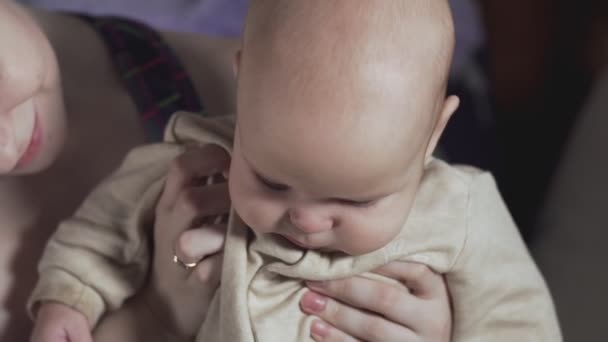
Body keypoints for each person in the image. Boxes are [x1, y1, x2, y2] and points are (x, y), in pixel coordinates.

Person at [28, 0, 561, 341]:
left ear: (431, 139)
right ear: (244, 91)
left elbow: (518, 319)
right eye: (272, 181)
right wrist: (67, 298)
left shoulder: (460, 211)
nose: (304, 219)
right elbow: (103, 227)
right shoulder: (195, 165)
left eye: (354, 201)